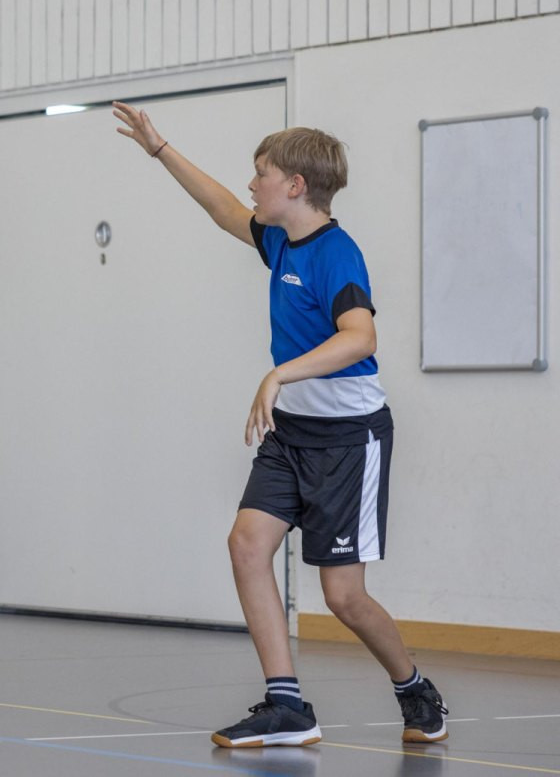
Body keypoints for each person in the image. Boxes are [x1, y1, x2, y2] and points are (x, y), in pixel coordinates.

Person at [113, 101, 448, 746]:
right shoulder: (278, 240)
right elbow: (219, 206)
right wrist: (160, 149)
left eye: (259, 172)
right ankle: (287, 704)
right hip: (292, 435)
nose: (250, 183)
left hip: (350, 440)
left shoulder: (336, 254)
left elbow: (360, 335)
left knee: (344, 597)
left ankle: (411, 684)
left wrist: (278, 374)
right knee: (246, 544)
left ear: (294, 185)